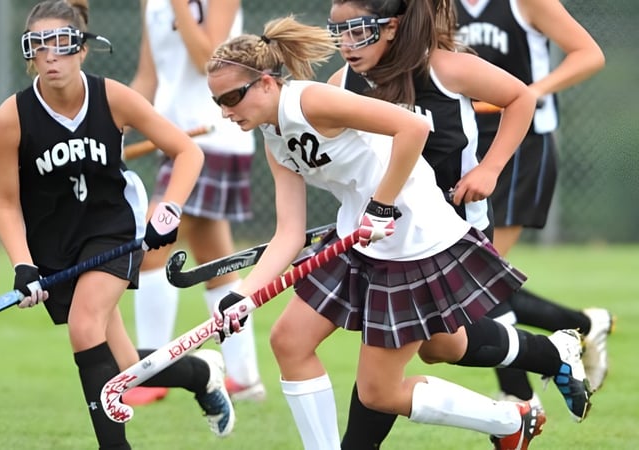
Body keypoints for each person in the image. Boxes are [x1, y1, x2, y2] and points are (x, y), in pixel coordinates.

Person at [205, 15, 585, 450]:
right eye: (218, 101)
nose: (226, 111)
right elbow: (288, 233)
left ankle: (509, 421)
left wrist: (381, 203)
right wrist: (245, 296)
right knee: (291, 341)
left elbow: (414, 127)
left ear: (268, 83)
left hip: (414, 243)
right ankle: (549, 362)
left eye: (233, 96)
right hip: (363, 240)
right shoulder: (274, 134)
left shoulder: (313, 101)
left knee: (379, 392)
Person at [320, 1, 590, 448]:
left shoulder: (445, 68)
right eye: (338, 34)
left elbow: (520, 96)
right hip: (388, 236)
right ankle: (551, 354)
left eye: (356, 32)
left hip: (447, 235)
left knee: (381, 371)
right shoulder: (343, 84)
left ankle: (511, 415)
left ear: (389, 28)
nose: (346, 46)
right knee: (439, 345)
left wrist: (490, 169)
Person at [0, 1, 236, 448]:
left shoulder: (112, 97)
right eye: (38, 46)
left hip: (112, 230)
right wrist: (23, 266)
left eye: (61, 45)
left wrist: (169, 210)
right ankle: (200, 372)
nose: (50, 56)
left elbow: (187, 152)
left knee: (85, 328)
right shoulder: (12, 117)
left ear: (81, 49)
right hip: (55, 243)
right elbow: (6, 204)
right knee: (124, 367)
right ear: (29, 54)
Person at [455, 0, 612, 404]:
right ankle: (581, 327)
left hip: (523, 145)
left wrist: (530, 92)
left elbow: (589, 54)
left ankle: (521, 403)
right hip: (464, 148)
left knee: (478, 278)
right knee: (476, 280)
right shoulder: (435, 6)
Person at [124, 0, 265, 406]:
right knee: (215, 261)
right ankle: (245, 377)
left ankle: (151, 373)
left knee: (151, 248)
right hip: (175, 138)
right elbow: (147, 78)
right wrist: (112, 124)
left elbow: (210, 59)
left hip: (213, 136)